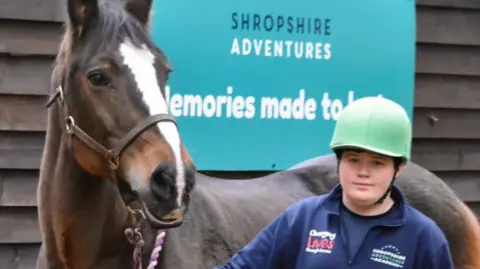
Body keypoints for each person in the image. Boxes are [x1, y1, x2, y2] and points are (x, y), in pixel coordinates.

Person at [213, 96, 454, 269]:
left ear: (398, 168)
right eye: (353, 160)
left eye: (377, 163)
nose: (363, 172)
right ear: (338, 161)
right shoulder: (303, 218)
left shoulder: (424, 237)